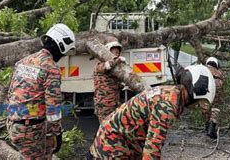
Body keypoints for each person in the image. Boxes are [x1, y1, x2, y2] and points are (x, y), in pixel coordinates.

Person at [87, 64, 216, 159]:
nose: (198, 106)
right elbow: (152, 149)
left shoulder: (170, 93)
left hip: (120, 140)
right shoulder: (167, 106)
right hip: (112, 146)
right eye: (200, 102)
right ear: (195, 93)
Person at [7, 23, 76, 159]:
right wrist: (55, 134)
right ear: (61, 46)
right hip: (30, 130)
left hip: (13, 124)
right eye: (64, 53)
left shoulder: (23, 61)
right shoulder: (51, 69)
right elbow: (53, 108)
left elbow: (11, 93)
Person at [93, 41, 126, 122]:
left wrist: (123, 85)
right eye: (114, 53)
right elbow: (107, 66)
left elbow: (115, 85)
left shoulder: (114, 71)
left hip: (114, 103)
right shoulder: (99, 66)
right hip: (104, 105)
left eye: (118, 53)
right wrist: (118, 60)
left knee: (114, 127)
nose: (116, 55)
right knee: (105, 128)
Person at [201, 57, 224, 139]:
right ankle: (212, 127)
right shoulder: (220, 71)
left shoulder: (203, 68)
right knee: (215, 107)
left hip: (205, 83)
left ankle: (207, 125)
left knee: (205, 104)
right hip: (217, 83)